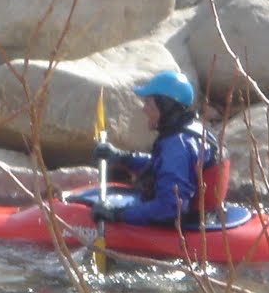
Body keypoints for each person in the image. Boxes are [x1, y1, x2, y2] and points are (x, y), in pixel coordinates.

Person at [88, 70, 227, 228]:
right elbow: (163, 165)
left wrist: (118, 214)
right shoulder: (191, 131)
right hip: (206, 217)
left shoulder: (177, 145)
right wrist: (122, 157)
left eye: (148, 102)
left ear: (165, 106)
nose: (144, 109)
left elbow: (171, 208)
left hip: (187, 226)